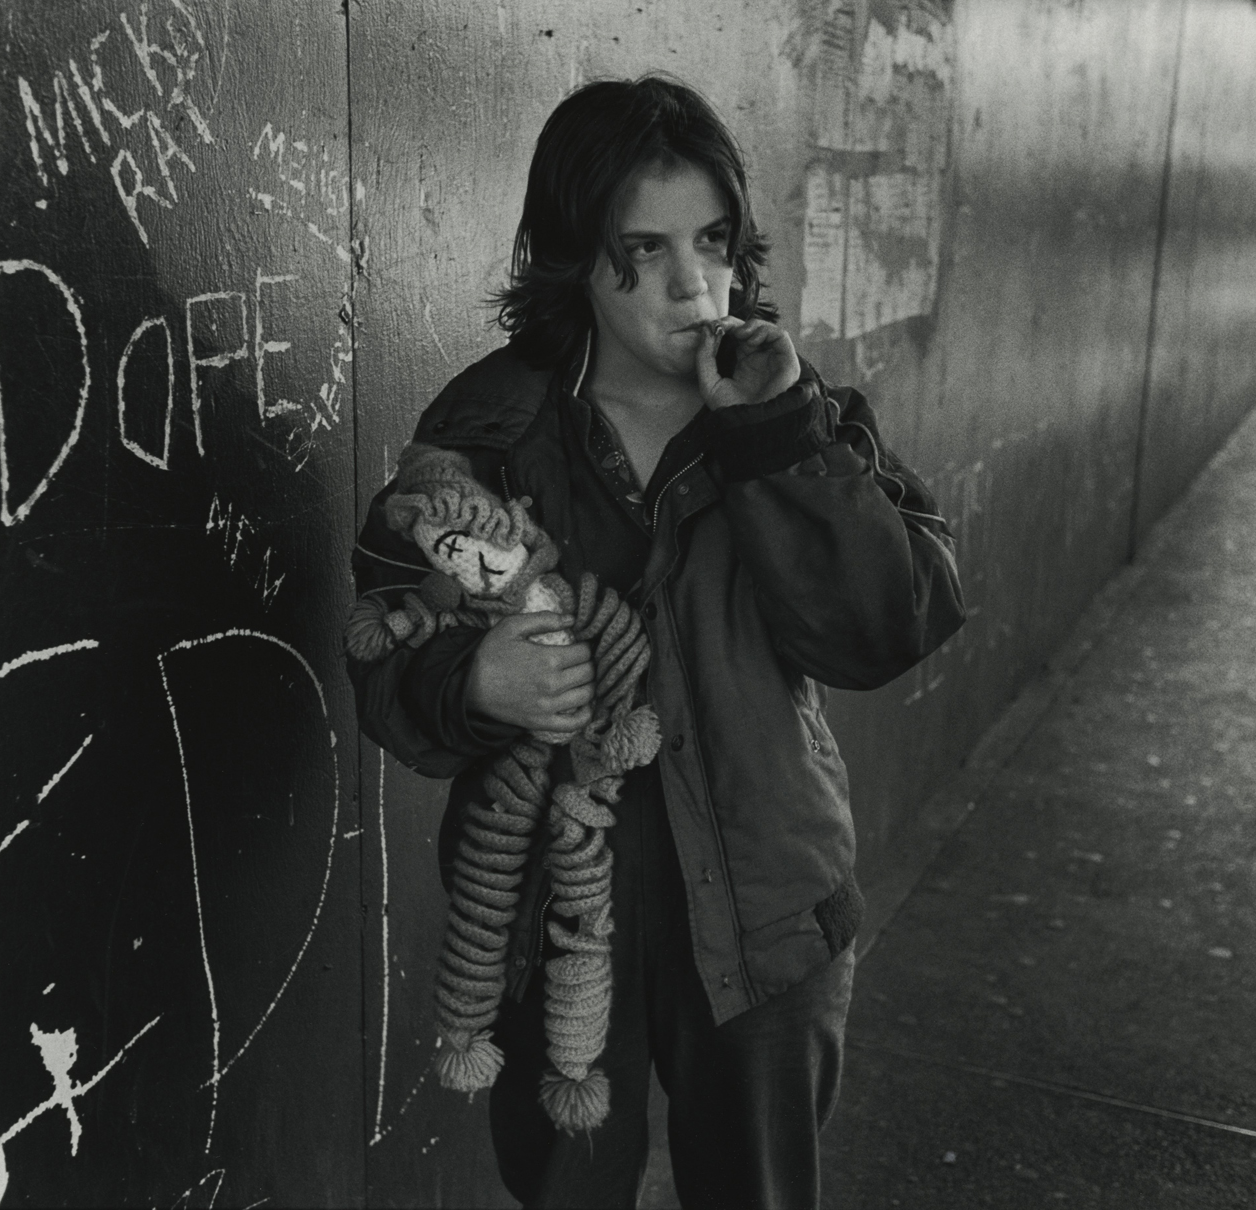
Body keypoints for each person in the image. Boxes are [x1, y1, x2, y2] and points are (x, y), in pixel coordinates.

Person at [347, 75, 964, 1209]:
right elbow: (386, 667)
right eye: (648, 247)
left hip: (770, 910)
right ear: (576, 255)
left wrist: (770, 442)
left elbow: (891, 625)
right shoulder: (488, 435)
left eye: (714, 240)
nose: (694, 283)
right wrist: (478, 682)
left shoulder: (790, 406)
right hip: (562, 925)